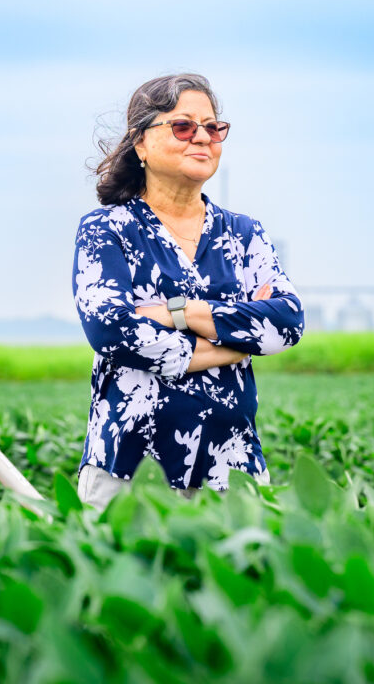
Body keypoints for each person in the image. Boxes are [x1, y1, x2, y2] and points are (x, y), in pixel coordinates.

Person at [72, 73, 304, 509]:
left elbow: (287, 322)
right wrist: (232, 345)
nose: (202, 137)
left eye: (213, 128)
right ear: (141, 142)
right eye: (183, 126)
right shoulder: (107, 230)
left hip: (233, 470)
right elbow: (113, 333)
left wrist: (177, 312)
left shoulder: (245, 233)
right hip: (128, 468)